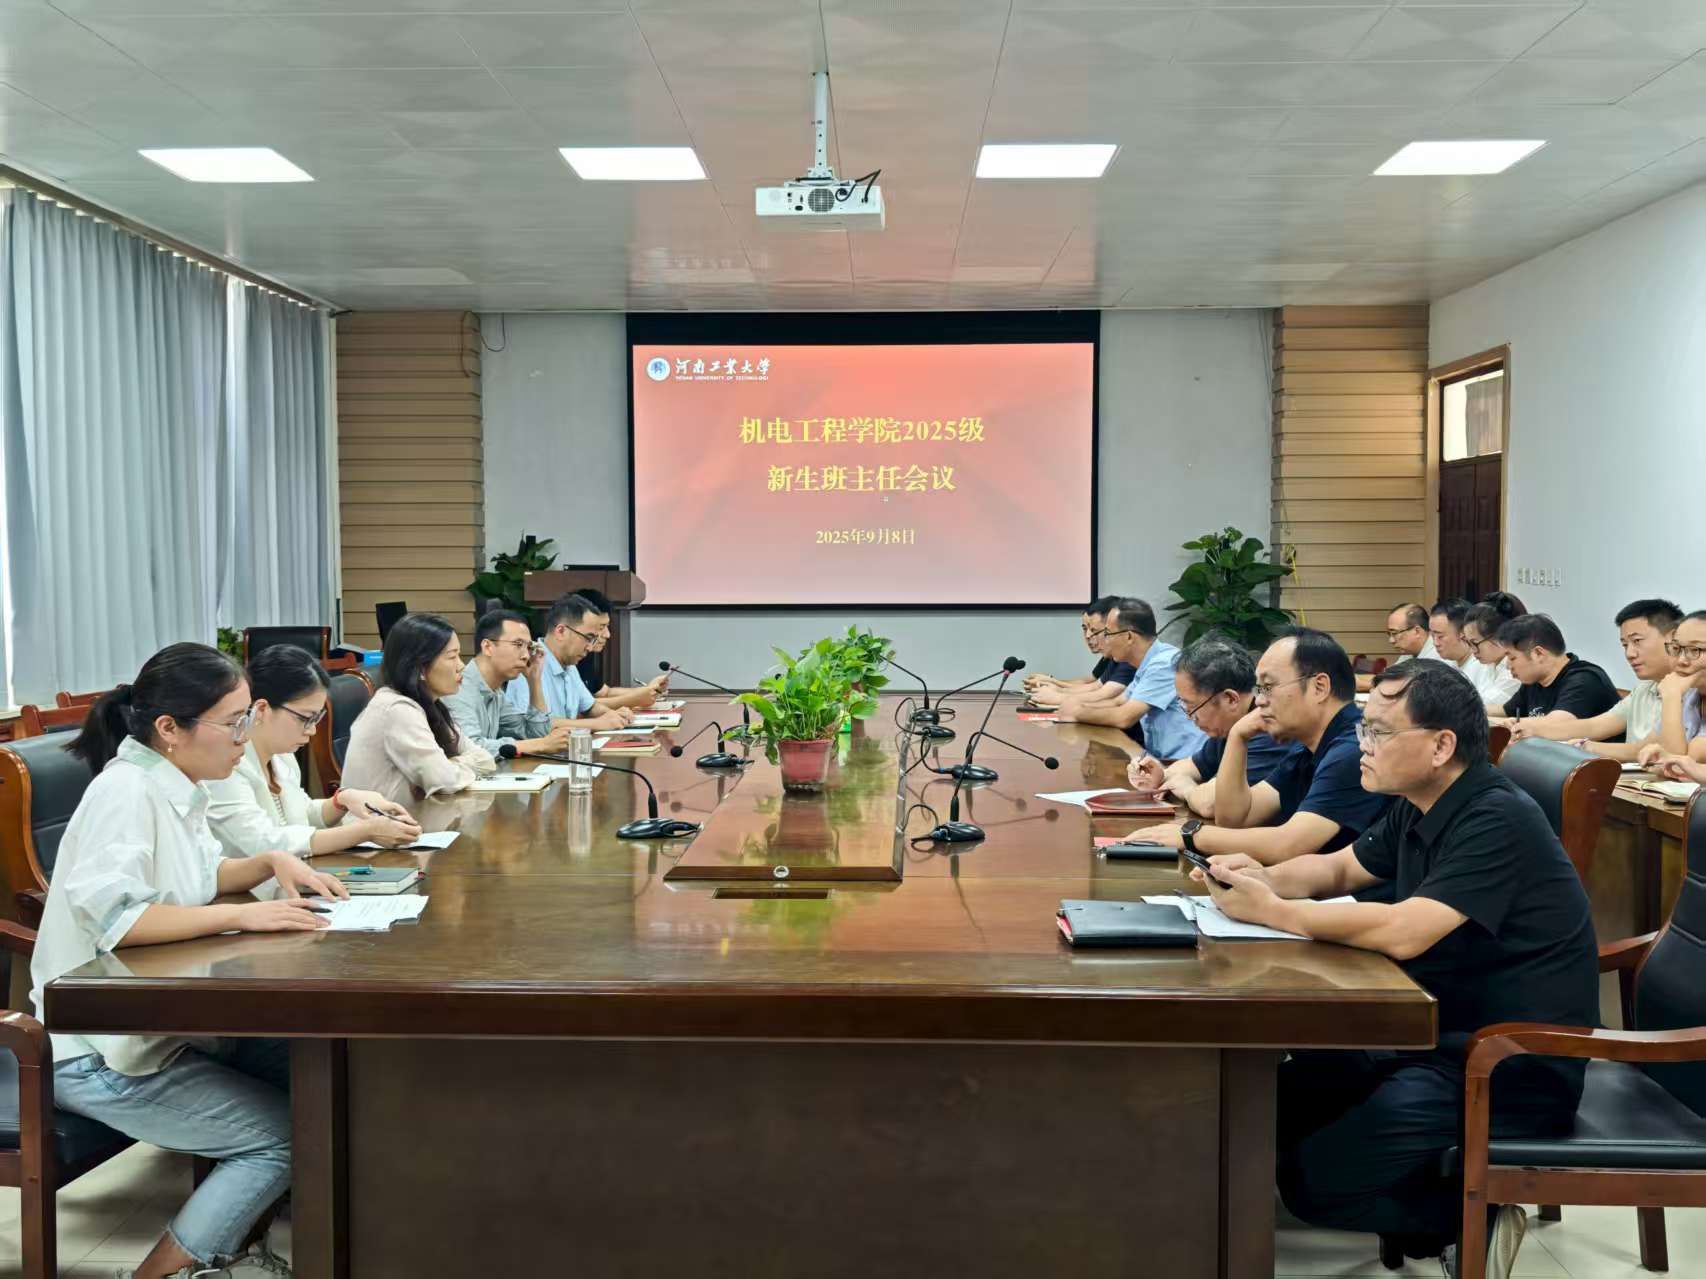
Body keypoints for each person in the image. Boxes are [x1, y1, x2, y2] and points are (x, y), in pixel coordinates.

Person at [1189, 660, 1597, 1277]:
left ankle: (1467, 1217)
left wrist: (1276, 913)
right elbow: (1338, 869)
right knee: (1265, 1109)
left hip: (1502, 1064)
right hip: (1424, 1030)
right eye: (1363, 730)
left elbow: (1407, 931)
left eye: (1378, 732)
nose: (1364, 744)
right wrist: (1260, 876)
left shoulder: (1495, 817)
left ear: (1440, 746)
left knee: (1314, 1185)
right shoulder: (1420, 802)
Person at [32, 643, 348, 1279]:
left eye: (246, 718)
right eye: (232, 722)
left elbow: (202, 877)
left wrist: (267, 863)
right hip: (97, 1052)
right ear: (169, 728)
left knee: (338, 1073)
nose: (244, 736)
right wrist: (242, 915)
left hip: (162, 1029)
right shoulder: (125, 793)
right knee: (284, 1136)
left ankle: (287, 1245)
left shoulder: (175, 783)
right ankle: (161, 1274)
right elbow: (123, 920)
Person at [1140, 628, 1390, 864]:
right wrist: (1238, 737)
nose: (1259, 700)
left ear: (1319, 687)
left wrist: (1190, 834)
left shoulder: (1354, 749)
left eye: (1268, 687)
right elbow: (1234, 818)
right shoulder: (1306, 748)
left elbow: (1289, 844)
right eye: (1259, 689)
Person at [207, 646, 422, 858]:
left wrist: (342, 800)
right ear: (262, 709)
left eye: (316, 718)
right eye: (305, 718)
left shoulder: (282, 756)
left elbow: (302, 815)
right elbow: (264, 842)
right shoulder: (225, 765)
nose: (312, 730)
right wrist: (365, 831)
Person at [1125, 635, 1295, 817]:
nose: (1190, 717)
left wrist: (1187, 790)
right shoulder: (1230, 726)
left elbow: (1213, 804)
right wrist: (1159, 775)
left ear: (1230, 699)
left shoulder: (1267, 731)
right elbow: (1191, 767)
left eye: (1192, 707)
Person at [341, 612, 496, 807]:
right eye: (452, 657)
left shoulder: (432, 705)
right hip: (376, 824)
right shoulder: (397, 710)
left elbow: (486, 760)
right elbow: (445, 781)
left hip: (413, 819)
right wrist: (448, 768)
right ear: (420, 668)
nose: (461, 666)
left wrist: (450, 764)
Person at [1510, 599, 1681, 760]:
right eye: (1625, 645)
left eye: (1637, 641)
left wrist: (1587, 746)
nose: (1629, 654)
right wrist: (1534, 729)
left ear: (1672, 638)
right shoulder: (1644, 689)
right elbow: (1594, 726)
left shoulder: (1687, 691)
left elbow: (1646, 748)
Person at [1055, 597, 1207, 761]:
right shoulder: (1147, 662)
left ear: (1129, 637)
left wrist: (1078, 713)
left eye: (1108, 634)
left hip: (1184, 763)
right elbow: (1119, 702)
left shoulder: (1163, 664)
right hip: (1161, 759)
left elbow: (1124, 717)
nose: (1106, 641)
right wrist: (1076, 706)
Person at [445, 608, 578, 758]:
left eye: (528, 647)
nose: (526, 655)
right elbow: (471, 749)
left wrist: (534, 681)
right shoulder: (458, 688)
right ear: (488, 647)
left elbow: (532, 735)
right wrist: (541, 744)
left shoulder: (496, 692)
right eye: (518, 644)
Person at [502, 595, 638, 729]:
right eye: (588, 638)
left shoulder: (569, 664)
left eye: (594, 640)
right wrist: (597, 723)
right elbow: (534, 725)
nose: (590, 647)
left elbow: (590, 707)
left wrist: (614, 715)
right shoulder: (531, 664)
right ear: (561, 631)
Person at [1492, 614, 1619, 724]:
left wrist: (1490, 722)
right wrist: (1480, 712)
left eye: (1512, 658)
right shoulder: (1534, 680)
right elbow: (1506, 711)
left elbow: (1554, 724)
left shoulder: (1585, 679)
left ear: (1538, 654)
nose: (1508, 665)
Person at [567, 588, 671, 709]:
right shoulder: (561, 661)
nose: (607, 635)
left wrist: (648, 691)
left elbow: (604, 693)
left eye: (607, 626)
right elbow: (580, 708)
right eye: (601, 627)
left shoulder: (583, 656)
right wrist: (634, 699)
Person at [1024, 596, 1134, 707]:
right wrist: (1055, 688)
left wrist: (1059, 695)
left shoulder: (1129, 658)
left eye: (1095, 631)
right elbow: (1096, 686)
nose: (1088, 636)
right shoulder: (1117, 656)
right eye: (1086, 629)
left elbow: (1106, 695)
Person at [1638, 608, 1706, 771]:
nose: (1681, 660)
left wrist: (1671, 696)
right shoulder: (1690, 693)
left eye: (1695, 650)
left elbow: (1676, 764)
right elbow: (1650, 745)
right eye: (1677, 648)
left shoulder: (1675, 691)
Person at [1426, 597, 1508, 707]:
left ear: (1463, 633)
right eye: (1432, 636)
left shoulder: (1484, 663)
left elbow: (1483, 705)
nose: (1435, 643)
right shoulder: (1445, 664)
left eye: (1440, 636)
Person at [1460, 595, 1525, 710]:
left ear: (1499, 636)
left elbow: (1479, 706)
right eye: (1469, 643)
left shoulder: (1515, 670)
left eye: (1475, 643)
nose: (1473, 650)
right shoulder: (1486, 663)